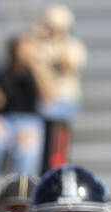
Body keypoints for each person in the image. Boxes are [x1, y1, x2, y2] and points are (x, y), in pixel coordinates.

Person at [0, 35, 49, 182]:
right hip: (4, 120)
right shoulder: (1, 73)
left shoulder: (37, 74)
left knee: (27, 146)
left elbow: (49, 97)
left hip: (29, 120)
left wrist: (36, 66)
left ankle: (22, 184)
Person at [29, 3, 87, 170]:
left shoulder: (73, 45)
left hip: (65, 100)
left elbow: (69, 64)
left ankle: (57, 170)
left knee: (59, 146)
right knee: (43, 145)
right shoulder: (39, 45)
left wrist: (58, 41)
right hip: (43, 101)